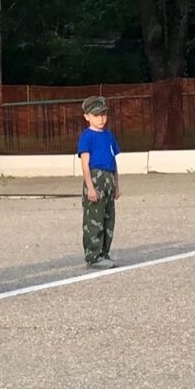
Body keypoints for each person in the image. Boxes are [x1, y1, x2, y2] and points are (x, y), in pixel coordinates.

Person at [77, 95, 120, 268]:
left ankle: (104, 252)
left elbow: (113, 161)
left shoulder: (109, 136)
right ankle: (93, 256)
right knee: (94, 219)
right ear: (87, 116)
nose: (101, 119)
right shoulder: (87, 137)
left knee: (108, 219)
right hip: (96, 178)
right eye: (96, 115)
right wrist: (90, 187)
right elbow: (85, 164)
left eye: (103, 114)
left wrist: (117, 185)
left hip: (109, 179)